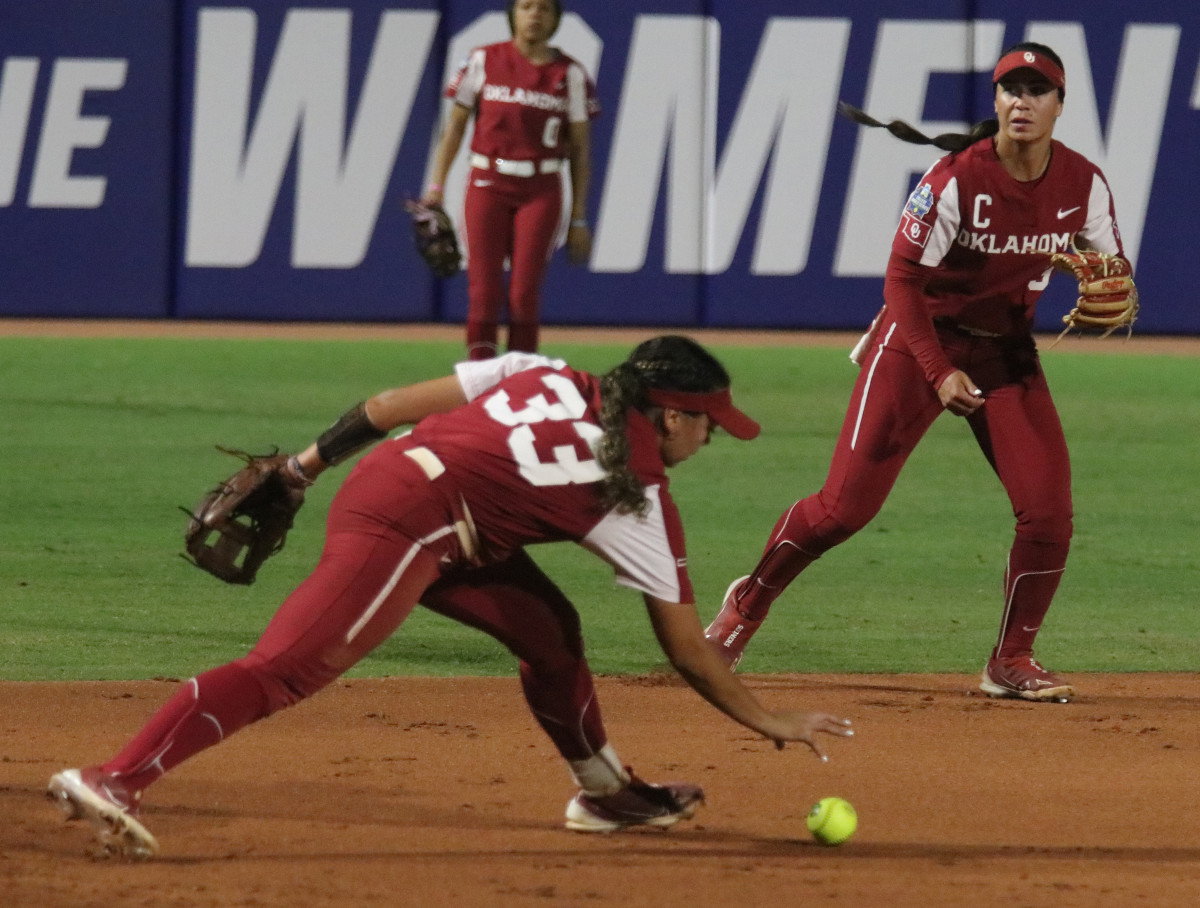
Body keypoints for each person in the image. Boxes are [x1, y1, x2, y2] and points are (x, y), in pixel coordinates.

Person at [48, 336, 854, 858]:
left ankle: (609, 796)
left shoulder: (544, 372)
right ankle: (118, 775)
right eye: (709, 424)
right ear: (672, 416)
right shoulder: (634, 493)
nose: (710, 439)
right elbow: (685, 649)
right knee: (286, 669)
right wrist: (768, 720)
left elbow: (386, 409)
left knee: (551, 633)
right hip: (409, 526)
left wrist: (301, 467)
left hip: (399, 488)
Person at [705, 43, 1130, 702]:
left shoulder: (1084, 183)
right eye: (1010, 89)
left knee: (1049, 513)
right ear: (996, 102)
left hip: (1005, 352)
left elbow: (1110, 270)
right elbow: (902, 280)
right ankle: (745, 605)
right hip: (917, 340)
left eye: (1037, 90)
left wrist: (1114, 289)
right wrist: (936, 371)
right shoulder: (957, 176)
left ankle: (1011, 660)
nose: (1022, 101)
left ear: (1059, 104)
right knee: (843, 510)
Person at [423, 0, 599, 360]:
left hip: (541, 187)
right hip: (488, 179)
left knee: (523, 294)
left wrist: (579, 217)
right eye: (526, 6)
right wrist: (436, 187)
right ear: (512, 15)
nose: (534, 15)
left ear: (555, 18)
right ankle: (480, 381)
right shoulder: (484, 60)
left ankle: (521, 384)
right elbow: (455, 127)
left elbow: (581, 150)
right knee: (484, 291)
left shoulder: (570, 74)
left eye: (544, 8)